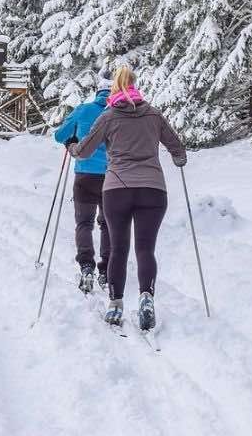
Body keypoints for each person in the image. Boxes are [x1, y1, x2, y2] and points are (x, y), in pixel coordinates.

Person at [69, 64, 186, 331]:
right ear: (135, 86)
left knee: (119, 249)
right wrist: (179, 159)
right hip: (153, 190)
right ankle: (146, 296)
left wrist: (72, 147)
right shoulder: (154, 115)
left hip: (117, 190)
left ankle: (115, 304)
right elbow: (176, 146)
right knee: (145, 249)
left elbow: (85, 150)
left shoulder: (108, 117)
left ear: (114, 89)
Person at [53, 69, 112, 294]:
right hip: (112, 177)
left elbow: (59, 136)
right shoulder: (119, 113)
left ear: (97, 91)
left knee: (84, 223)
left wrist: (73, 139)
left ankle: (86, 266)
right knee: (108, 224)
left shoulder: (84, 110)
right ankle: (106, 269)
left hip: (85, 175)